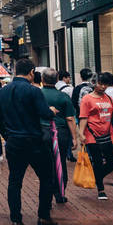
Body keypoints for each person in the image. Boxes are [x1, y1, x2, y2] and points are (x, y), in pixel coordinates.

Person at [0, 58, 57, 225]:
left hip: (14, 142)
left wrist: (7, 136)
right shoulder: (34, 91)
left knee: (15, 181)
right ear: (31, 72)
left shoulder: (2, 92)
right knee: (46, 178)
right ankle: (44, 216)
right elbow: (44, 113)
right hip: (35, 141)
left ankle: (16, 219)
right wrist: (51, 111)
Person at [40, 68, 80, 204]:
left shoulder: (38, 94)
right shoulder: (63, 96)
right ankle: (59, 193)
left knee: (44, 163)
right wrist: (75, 138)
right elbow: (70, 118)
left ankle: (46, 194)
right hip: (61, 133)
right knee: (60, 161)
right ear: (57, 80)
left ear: (42, 80)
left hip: (41, 132)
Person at [78, 72, 113, 200]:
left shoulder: (108, 98)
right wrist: (81, 133)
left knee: (112, 162)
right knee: (98, 161)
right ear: (94, 83)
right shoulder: (87, 99)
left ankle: (96, 177)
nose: (102, 87)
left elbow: (111, 116)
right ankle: (101, 189)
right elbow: (83, 117)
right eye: (100, 84)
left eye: (105, 84)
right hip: (92, 135)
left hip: (107, 134)